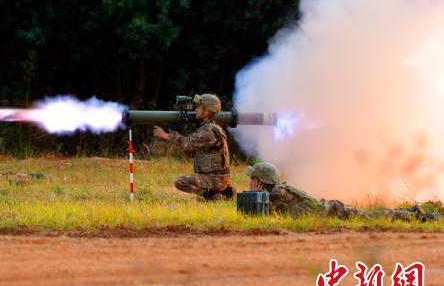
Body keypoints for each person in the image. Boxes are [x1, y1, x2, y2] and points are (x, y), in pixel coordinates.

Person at [245, 162, 438, 221]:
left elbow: (258, 218)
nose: (250, 181)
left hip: (332, 212)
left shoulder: (276, 196)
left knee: (374, 217)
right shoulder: (276, 191)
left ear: (261, 182)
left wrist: (254, 196)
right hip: (329, 209)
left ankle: (421, 217)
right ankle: (413, 213)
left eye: (253, 179)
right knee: (372, 216)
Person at [153, 93, 235, 201]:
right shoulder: (209, 128)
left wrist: (167, 135)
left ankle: (214, 196)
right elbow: (192, 151)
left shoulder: (209, 131)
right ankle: (218, 194)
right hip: (215, 178)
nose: (196, 110)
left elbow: (187, 144)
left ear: (207, 110)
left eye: (199, 107)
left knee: (180, 182)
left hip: (216, 179)